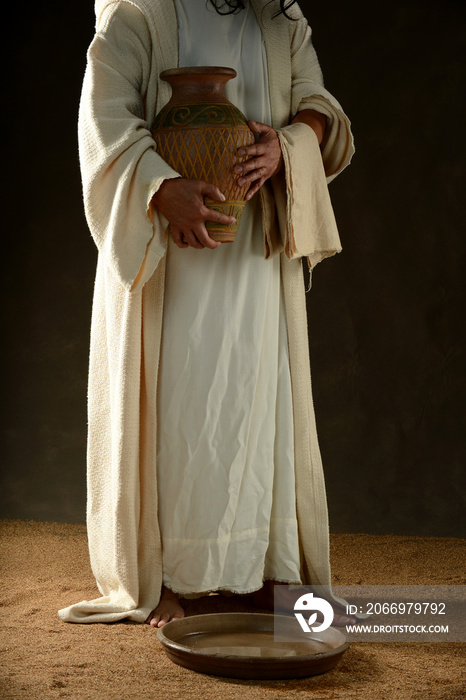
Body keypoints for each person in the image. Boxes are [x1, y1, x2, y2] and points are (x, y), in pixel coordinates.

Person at [58, 0, 354, 628]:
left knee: (252, 405)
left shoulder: (279, 16)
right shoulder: (137, 16)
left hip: (255, 258)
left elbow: (319, 107)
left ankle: (255, 568)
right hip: (168, 261)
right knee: (176, 406)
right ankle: (163, 578)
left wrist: (286, 147)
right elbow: (103, 123)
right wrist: (163, 189)